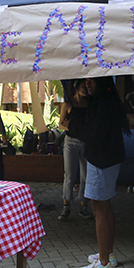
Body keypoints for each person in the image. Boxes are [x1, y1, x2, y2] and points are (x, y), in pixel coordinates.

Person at [62, 77, 131, 268]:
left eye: (91, 80)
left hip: (101, 161)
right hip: (107, 159)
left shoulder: (103, 103)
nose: (88, 84)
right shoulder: (105, 100)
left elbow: (94, 135)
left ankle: (103, 265)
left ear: (101, 81)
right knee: (104, 206)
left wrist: (71, 125)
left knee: (99, 209)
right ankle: (108, 256)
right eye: (86, 81)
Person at [58, 79, 91, 220]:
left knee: (86, 176)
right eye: (84, 87)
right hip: (70, 142)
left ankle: (84, 206)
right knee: (69, 175)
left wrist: (75, 127)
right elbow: (60, 124)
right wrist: (74, 128)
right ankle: (66, 206)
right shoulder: (68, 104)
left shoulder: (89, 103)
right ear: (77, 88)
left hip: (85, 142)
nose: (86, 89)